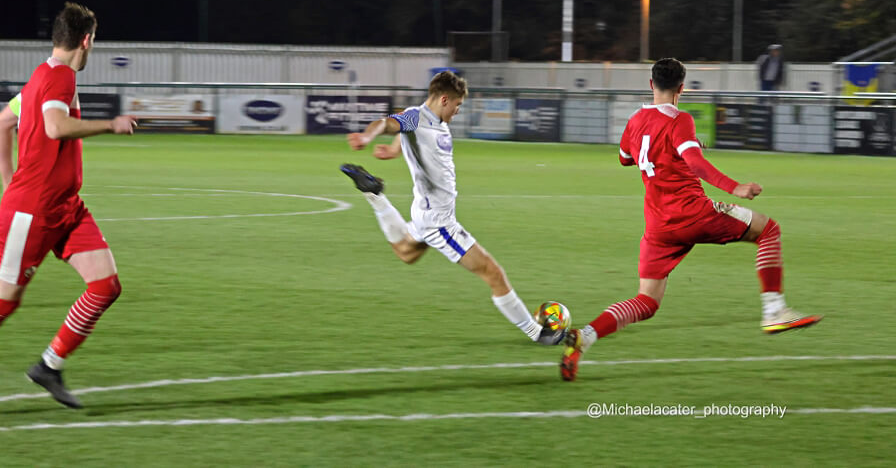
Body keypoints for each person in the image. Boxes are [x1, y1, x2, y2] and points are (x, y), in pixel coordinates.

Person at [558, 58, 821, 381]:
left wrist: (674, 152)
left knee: (647, 301)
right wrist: (734, 187)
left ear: (651, 84)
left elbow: (626, 158)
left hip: (658, 226)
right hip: (693, 213)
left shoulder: (636, 119)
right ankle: (774, 310)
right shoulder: (680, 119)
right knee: (768, 230)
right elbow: (696, 165)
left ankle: (585, 336)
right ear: (682, 88)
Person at [0, 2, 138, 418]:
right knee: (3, 300)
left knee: (105, 285)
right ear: (86, 40)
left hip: (65, 207)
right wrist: (111, 124)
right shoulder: (61, 77)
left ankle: (49, 366)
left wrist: (6, 179)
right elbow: (54, 127)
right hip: (31, 213)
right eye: (94, 41)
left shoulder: (40, 78)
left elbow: (0, 123)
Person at [341, 71, 563, 346]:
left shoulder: (426, 119)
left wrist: (394, 151)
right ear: (444, 99)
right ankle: (538, 333)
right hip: (439, 222)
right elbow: (386, 123)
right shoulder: (417, 117)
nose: (458, 111)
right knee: (492, 272)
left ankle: (374, 195)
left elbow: (402, 132)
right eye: (457, 105)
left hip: (425, 213)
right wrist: (366, 138)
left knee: (406, 253)